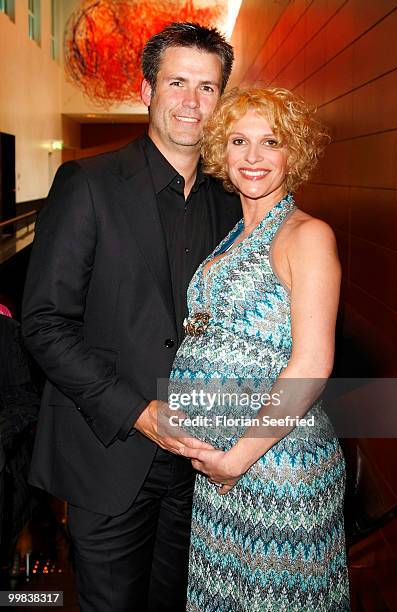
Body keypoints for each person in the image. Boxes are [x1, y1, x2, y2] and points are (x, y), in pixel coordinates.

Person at [21, 22, 241, 611]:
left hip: (201, 465)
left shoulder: (231, 200)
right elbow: (43, 322)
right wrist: (138, 413)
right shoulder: (87, 184)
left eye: (208, 87)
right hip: (111, 453)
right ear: (146, 91)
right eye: (177, 83)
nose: (192, 102)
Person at [169, 87, 350, 610]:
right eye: (238, 141)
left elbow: (312, 364)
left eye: (270, 142)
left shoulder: (306, 235)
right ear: (220, 152)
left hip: (274, 465)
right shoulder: (235, 234)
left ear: (293, 153)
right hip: (221, 467)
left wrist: (237, 459)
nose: (252, 157)